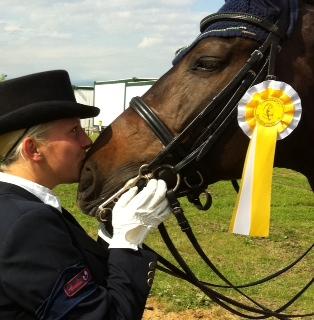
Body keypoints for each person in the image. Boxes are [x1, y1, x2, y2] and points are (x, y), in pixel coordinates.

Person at [0, 70, 171, 319]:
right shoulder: (28, 223)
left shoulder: (19, 205)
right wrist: (128, 241)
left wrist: (111, 233)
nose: (86, 141)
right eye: (74, 131)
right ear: (33, 148)